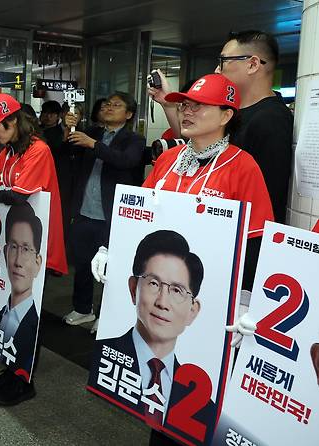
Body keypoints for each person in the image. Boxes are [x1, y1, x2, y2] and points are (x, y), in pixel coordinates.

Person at [91, 73, 274, 446]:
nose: (187, 110)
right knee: (158, 401)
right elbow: (136, 213)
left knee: (195, 404)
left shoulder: (243, 166)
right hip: (159, 299)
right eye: (184, 103)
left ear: (226, 114)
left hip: (208, 306)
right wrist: (114, 248)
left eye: (198, 105)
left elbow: (256, 240)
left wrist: (247, 298)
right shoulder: (170, 159)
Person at [0, 93, 67, 406]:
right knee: (8, 304)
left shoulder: (39, 150)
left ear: (14, 121)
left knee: (29, 312)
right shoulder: (8, 150)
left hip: (34, 244)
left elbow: (19, 195)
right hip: (13, 239)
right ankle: (10, 370)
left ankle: (24, 379)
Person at [149, 31, 291, 228]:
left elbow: (264, 206)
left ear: (252, 64)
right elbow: (196, 140)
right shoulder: (171, 159)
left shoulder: (270, 121)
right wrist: (168, 105)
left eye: (224, 60)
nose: (217, 69)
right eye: (186, 105)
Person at [90, 230, 215, 437]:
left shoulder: (202, 406)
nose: (162, 302)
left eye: (177, 290)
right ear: (133, 288)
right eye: (154, 283)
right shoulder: (104, 355)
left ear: (192, 311)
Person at [62, 92, 145, 328]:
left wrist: (93, 144)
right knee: (82, 264)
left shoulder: (134, 139)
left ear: (128, 114)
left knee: (112, 269)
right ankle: (82, 309)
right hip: (84, 211)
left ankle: (105, 314)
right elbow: (69, 152)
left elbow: (125, 161)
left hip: (112, 214)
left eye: (116, 105)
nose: (109, 107)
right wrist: (69, 130)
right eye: (107, 103)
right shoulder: (93, 132)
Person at [0, 202, 43, 372]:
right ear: (5, 253)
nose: (17, 262)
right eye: (14, 247)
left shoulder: (35, 323)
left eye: (26, 249)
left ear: (38, 262)